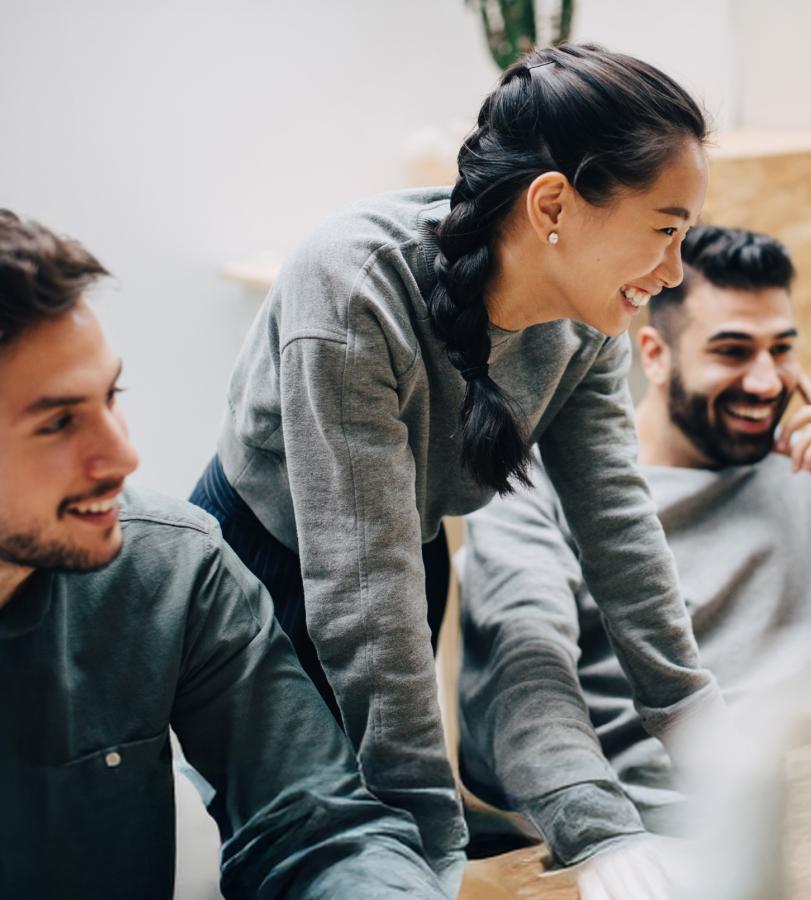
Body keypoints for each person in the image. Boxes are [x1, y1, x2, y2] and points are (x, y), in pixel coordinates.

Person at [187, 43, 725, 887]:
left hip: (405, 553)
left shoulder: (589, 321)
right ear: (554, 203)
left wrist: (705, 734)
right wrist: (429, 855)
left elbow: (617, 529)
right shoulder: (352, 287)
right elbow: (363, 590)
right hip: (262, 576)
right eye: (664, 228)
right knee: (320, 853)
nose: (673, 270)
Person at [456, 226, 811, 896]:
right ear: (655, 353)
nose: (764, 381)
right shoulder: (534, 493)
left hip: (808, 825)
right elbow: (520, 706)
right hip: (632, 851)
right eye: (731, 351)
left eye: (780, 350)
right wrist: (623, 841)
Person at [0, 210, 445, 899]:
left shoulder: (170, 567)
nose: (123, 454)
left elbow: (316, 827)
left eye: (110, 396)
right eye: (58, 422)